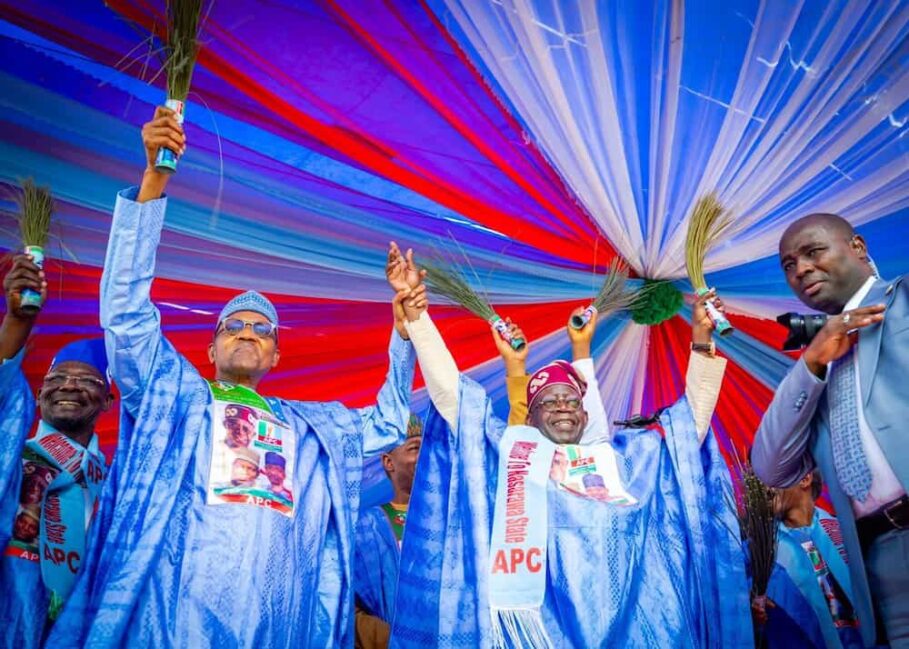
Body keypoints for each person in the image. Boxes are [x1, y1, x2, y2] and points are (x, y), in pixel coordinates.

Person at [47, 107, 419, 648]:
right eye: (234, 326)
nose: (247, 332)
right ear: (212, 345)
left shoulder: (308, 428)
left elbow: (387, 423)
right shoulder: (175, 399)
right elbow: (126, 317)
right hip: (180, 608)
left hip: (278, 616)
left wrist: (404, 329)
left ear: (274, 356)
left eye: (261, 329)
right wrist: (154, 180)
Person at [388, 247, 751, 648]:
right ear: (531, 416)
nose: (563, 405)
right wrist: (418, 318)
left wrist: (701, 343)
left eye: (571, 400)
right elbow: (456, 401)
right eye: (550, 400)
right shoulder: (514, 463)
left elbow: (688, 431)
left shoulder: (622, 461)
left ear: (584, 414)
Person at [752, 213, 907, 647]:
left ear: (857, 247)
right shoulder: (817, 365)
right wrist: (812, 362)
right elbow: (769, 467)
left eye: (812, 251)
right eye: (788, 265)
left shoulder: (903, 298)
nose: (800, 269)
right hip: (879, 561)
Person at [0, 255, 112, 648]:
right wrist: (17, 322)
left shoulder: (119, 485)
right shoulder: (11, 459)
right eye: (57, 378)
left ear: (107, 399)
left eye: (86, 380)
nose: (67, 386)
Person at [752, 468, 862, 649]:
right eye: (757, 479)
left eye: (769, 474)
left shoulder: (844, 531)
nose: (763, 486)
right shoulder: (757, 550)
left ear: (805, 478)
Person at [353, 414, 423, 649]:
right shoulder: (365, 527)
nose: (427, 457)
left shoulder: (459, 520)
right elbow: (343, 606)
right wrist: (392, 641)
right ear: (388, 462)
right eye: (415, 448)